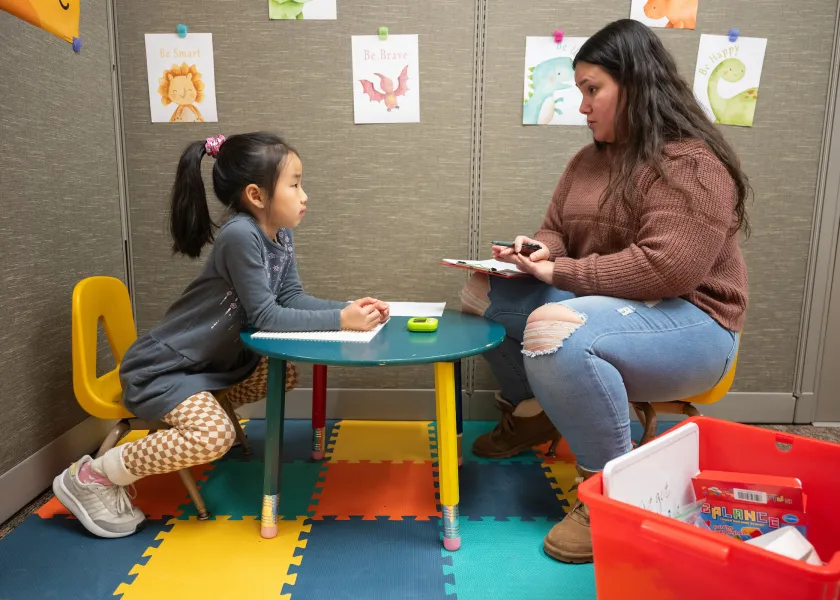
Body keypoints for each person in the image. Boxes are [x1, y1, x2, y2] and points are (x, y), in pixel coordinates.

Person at [460, 19, 748, 563]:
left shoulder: (691, 164)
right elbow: (556, 233)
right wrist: (536, 252)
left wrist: (558, 273)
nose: (583, 105)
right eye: (580, 92)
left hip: (695, 326)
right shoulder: (587, 160)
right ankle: (532, 415)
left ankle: (610, 490)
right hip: (616, 310)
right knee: (482, 293)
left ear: (635, 85)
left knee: (553, 329)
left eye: (593, 90)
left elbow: (666, 271)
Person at [53, 132, 389, 538]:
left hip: (210, 365)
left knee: (284, 373)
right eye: (296, 184)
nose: (305, 196)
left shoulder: (280, 235)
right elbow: (266, 316)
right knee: (214, 437)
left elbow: (291, 296)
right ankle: (95, 475)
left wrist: (350, 309)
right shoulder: (241, 235)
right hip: (164, 369)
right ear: (256, 195)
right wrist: (341, 320)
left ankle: (209, 405)